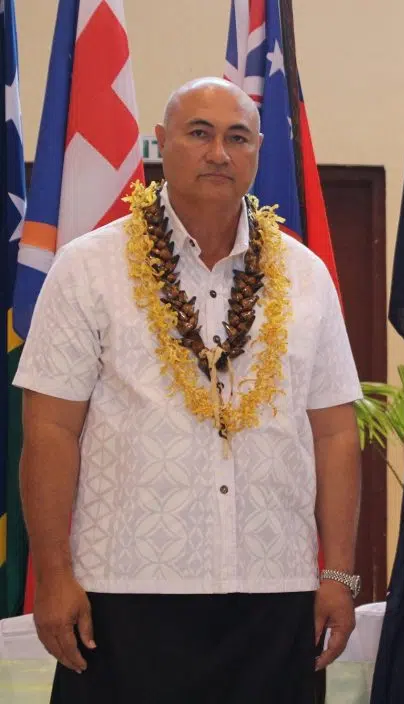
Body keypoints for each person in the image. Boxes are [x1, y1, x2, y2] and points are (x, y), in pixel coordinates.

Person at [15, 77, 364, 703]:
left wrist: (337, 571)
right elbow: (50, 429)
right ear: (161, 143)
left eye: (237, 138)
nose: (218, 153)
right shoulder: (88, 266)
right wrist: (55, 574)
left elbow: (335, 432)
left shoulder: (306, 274)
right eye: (199, 133)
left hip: (275, 592)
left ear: (258, 151)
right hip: (122, 595)